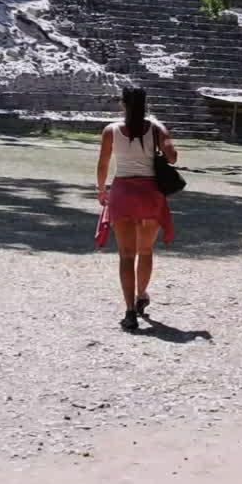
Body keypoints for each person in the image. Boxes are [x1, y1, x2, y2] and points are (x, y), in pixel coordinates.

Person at [95, 87, 178, 331]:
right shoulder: (155, 128)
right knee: (146, 250)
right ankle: (142, 294)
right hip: (150, 193)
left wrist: (101, 189)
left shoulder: (110, 130)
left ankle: (130, 312)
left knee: (126, 255)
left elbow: (103, 163)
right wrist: (163, 132)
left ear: (122, 105)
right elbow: (172, 158)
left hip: (122, 193)